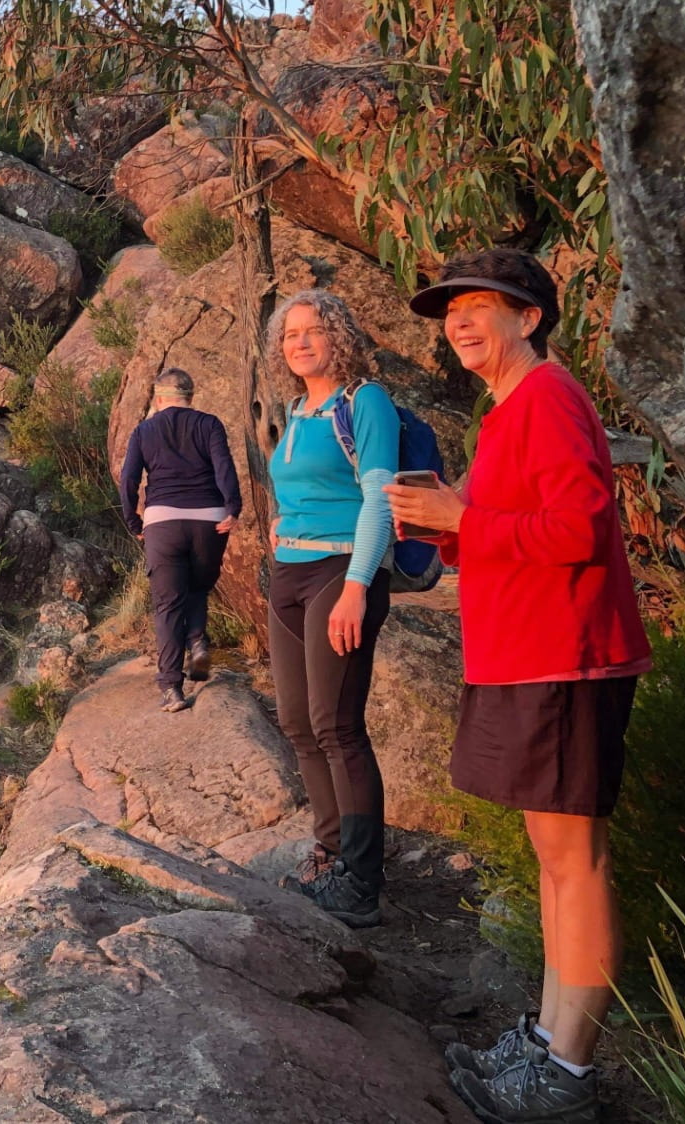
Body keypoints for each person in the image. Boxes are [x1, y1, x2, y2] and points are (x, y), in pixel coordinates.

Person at [387, 248, 650, 1124]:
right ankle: (547, 1036)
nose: (458, 321)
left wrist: (462, 518)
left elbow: (578, 527)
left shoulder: (549, 398)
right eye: (449, 309)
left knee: (577, 863)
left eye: (478, 305)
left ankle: (568, 1077)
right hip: (523, 657)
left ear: (528, 318)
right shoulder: (504, 414)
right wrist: (451, 526)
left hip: (567, 658)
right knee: (552, 859)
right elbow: (512, 529)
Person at [264, 288, 401, 929]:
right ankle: (330, 855)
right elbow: (298, 486)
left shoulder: (364, 402)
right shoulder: (296, 409)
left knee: (338, 725)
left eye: (313, 330)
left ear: (338, 336)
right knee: (296, 722)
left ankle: (363, 883)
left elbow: (379, 499)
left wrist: (356, 584)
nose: (300, 341)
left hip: (339, 572)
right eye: (291, 333)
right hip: (287, 573)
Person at [117, 368, 241, 713]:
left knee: (168, 605)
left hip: (163, 522)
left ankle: (172, 687)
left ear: (158, 399)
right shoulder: (209, 424)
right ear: (190, 396)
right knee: (198, 587)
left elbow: (128, 479)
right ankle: (198, 640)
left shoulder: (144, 429)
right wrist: (233, 506)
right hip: (209, 520)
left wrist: (133, 520)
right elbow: (223, 467)